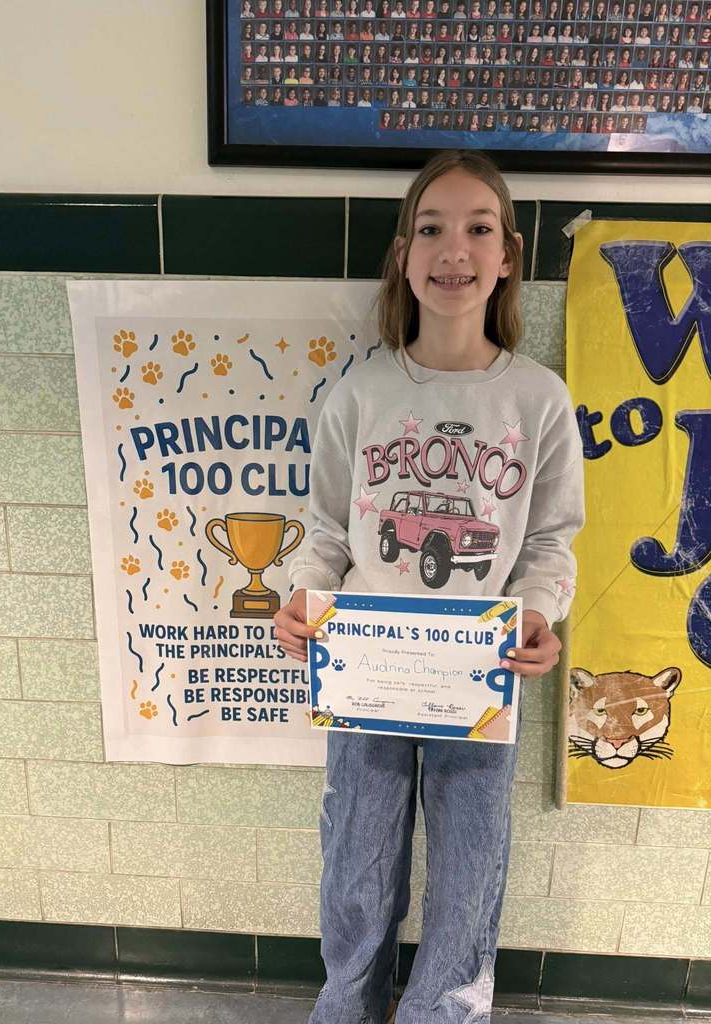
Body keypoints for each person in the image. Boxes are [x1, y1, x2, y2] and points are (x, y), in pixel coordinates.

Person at [274, 150, 585, 1024]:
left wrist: (538, 618)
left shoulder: (539, 399)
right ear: (405, 256)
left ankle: (445, 1011)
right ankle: (347, 1005)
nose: (456, 250)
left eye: (478, 229)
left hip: (479, 678)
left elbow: (552, 537)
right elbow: (329, 526)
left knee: (469, 869)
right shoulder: (362, 392)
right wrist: (304, 595)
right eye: (433, 229)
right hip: (366, 671)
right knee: (357, 860)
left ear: (507, 256)